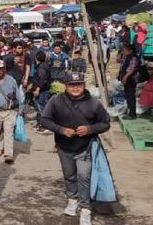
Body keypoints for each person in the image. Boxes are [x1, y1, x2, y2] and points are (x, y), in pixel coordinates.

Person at [41, 72, 111, 225]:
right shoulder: (56, 100)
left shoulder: (93, 102)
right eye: (72, 85)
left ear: (84, 85)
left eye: (78, 84)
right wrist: (61, 130)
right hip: (63, 147)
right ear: (66, 86)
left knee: (83, 177)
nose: (75, 87)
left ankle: (85, 209)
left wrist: (90, 129)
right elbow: (45, 119)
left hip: (85, 147)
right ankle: (72, 200)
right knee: (69, 175)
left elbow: (105, 123)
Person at [0, 59, 24, 164]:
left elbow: (18, 95)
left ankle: (9, 153)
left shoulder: (11, 80)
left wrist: (20, 109)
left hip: (10, 111)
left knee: (8, 131)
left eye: (0, 69)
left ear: (4, 69)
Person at [31, 51, 52, 132]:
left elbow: (42, 79)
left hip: (42, 90)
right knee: (40, 107)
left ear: (36, 57)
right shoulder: (43, 65)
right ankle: (40, 123)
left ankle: (44, 125)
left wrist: (37, 89)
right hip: (43, 89)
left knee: (41, 107)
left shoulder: (42, 67)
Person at [118, 43, 139, 120]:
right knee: (128, 96)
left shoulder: (133, 58)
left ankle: (132, 114)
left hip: (131, 80)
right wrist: (121, 54)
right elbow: (119, 61)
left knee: (131, 96)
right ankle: (130, 111)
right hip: (126, 79)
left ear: (130, 51)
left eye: (125, 50)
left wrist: (125, 77)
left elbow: (131, 70)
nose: (123, 51)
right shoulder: (126, 57)